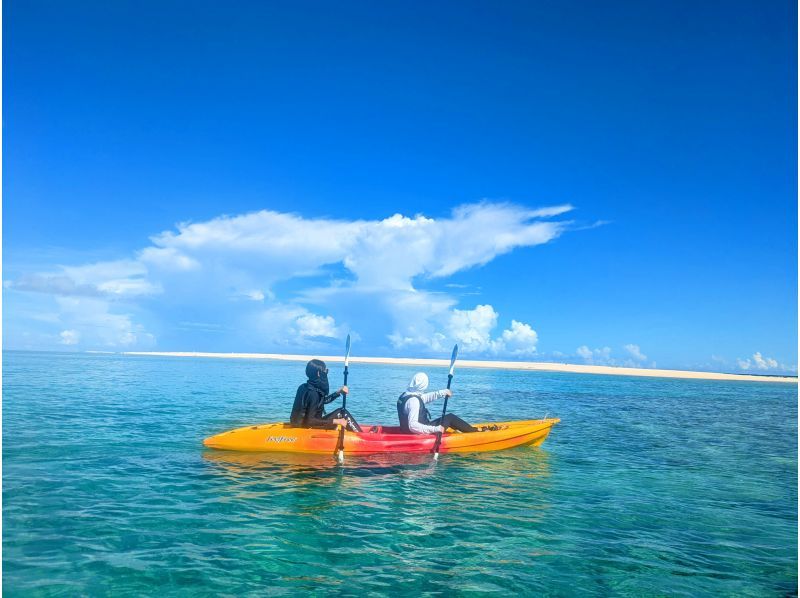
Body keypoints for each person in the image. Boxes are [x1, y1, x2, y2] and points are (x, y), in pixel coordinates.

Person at [290, 359, 362, 432]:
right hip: (307, 428)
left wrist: (338, 392)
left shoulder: (304, 387)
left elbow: (322, 401)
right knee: (342, 413)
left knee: (340, 413)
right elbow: (310, 421)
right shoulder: (313, 393)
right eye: (325, 371)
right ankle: (361, 436)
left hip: (298, 425)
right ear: (318, 373)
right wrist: (336, 421)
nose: (326, 373)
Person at [397, 372, 479, 434]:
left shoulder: (405, 395)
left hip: (406, 431)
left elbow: (423, 398)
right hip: (417, 433)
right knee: (450, 418)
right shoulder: (414, 401)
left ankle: (466, 430)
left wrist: (442, 393)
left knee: (449, 419)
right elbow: (413, 426)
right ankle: (474, 433)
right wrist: (435, 429)